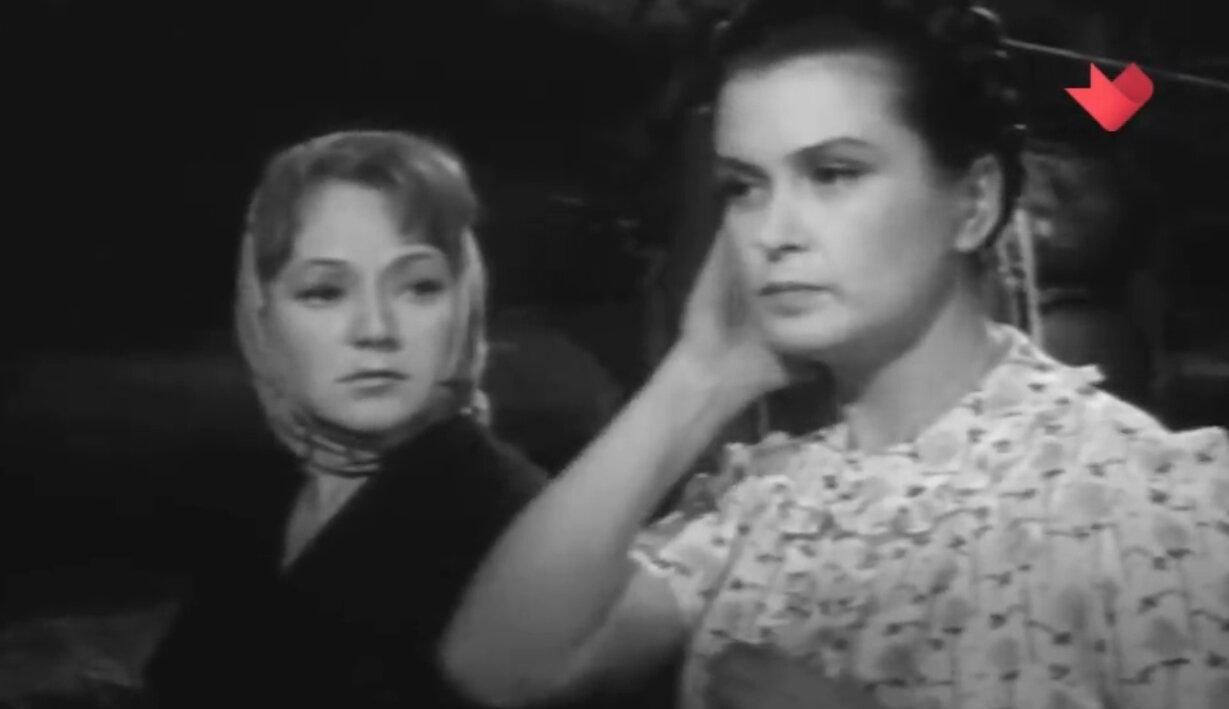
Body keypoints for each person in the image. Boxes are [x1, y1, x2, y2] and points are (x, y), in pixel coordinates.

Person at [440, 2, 1229, 708]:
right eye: (742, 187)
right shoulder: (757, 501)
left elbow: (1140, 107)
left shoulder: (1146, 499)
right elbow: (496, 668)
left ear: (974, 201)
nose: (773, 231)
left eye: (833, 174)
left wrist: (1108, 99)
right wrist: (697, 375)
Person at [143, 130, 547, 708]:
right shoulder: (261, 489)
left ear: (465, 301)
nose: (376, 329)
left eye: (420, 287)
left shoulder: (518, 520)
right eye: (325, 292)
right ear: (263, 311)